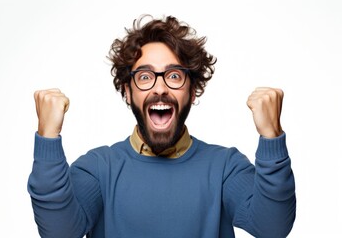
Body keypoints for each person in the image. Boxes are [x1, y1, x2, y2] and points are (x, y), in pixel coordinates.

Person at [28, 15, 296, 238]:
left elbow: (272, 228)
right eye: (145, 76)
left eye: (174, 76)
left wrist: (271, 137)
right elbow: (59, 232)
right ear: (128, 92)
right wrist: (47, 139)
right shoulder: (99, 169)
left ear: (192, 92)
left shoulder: (225, 167)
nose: (160, 87)